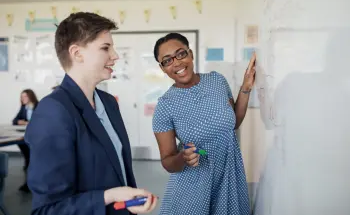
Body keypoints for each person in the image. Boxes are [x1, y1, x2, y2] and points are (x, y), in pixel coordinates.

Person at [24, 12, 157, 215]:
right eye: (105, 48)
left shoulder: (108, 103)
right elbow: (47, 210)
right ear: (77, 53)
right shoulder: (53, 111)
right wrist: (109, 197)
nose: (115, 55)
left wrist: (130, 202)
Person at [152, 33, 256, 215]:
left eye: (181, 54)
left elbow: (233, 123)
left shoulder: (217, 81)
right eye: (167, 60)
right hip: (194, 187)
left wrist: (245, 87)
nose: (176, 63)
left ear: (191, 54)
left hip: (228, 176)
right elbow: (167, 160)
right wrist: (182, 158)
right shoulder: (165, 105)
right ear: (162, 68)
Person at [12, 88, 38, 192]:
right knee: (21, 143)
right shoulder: (24, 107)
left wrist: (27, 122)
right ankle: (28, 161)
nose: (23, 99)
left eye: (25, 96)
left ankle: (30, 163)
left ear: (31, 96)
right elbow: (14, 120)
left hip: (36, 135)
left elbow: (40, 121)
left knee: (28, 147)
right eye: (22, 97)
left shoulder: (39, 105)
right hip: (26, 134)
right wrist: (20, 122)